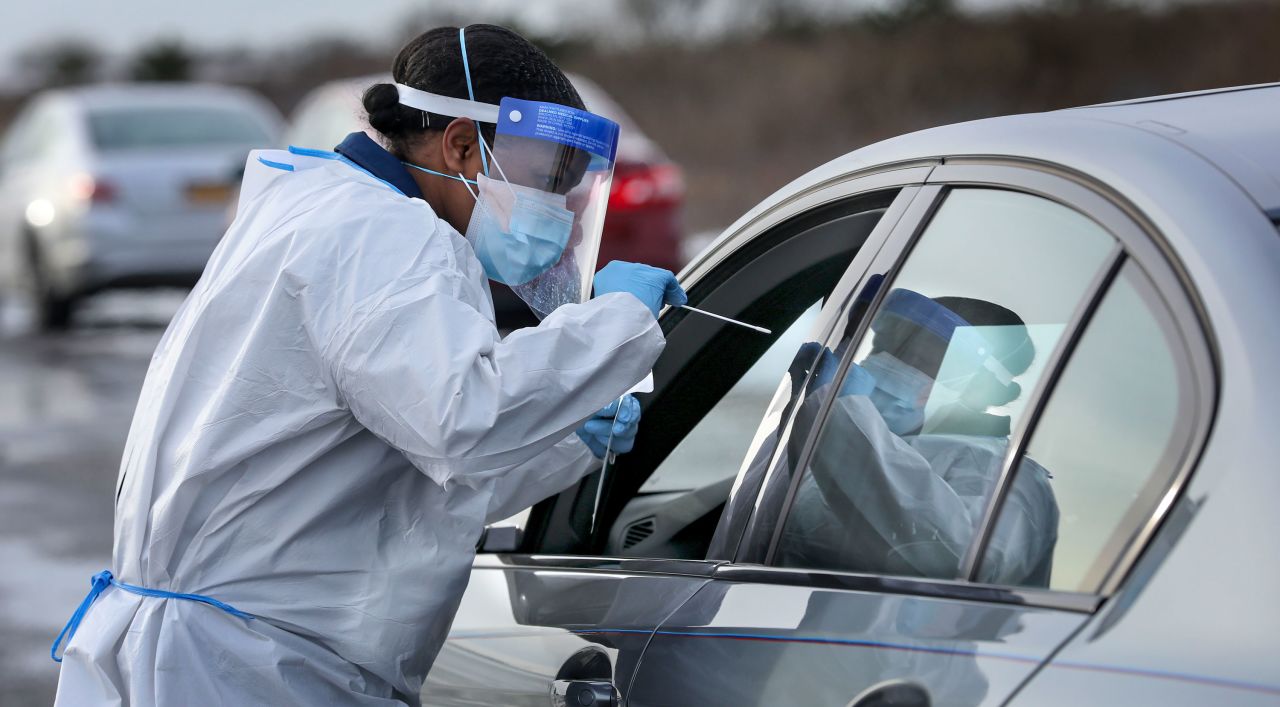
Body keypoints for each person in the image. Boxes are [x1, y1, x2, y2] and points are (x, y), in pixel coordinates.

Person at [52, 25, 686, 706]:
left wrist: (563, 439)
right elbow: (462, 418)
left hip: (224, 649)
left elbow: (393, 470)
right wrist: (616, 320)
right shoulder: (387, 238)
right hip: (248, 667)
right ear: (464, 148)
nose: (557, 212)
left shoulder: (328, 208)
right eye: (542, 181)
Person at [773, 289, 1059, 586]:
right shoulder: (841, 437)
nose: (888, 361)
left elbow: (952, 562)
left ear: (981, 387)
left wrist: (842, 418)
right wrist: (801, 417)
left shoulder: (1012, 481)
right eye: (887, 344)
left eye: (923, 358)